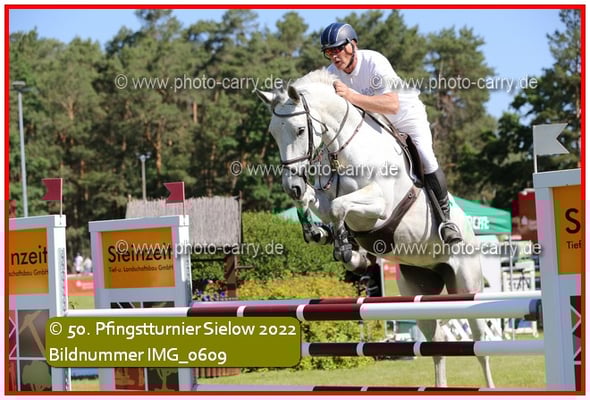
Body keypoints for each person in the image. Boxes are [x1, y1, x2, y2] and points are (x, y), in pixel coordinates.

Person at [320, 22, 462, 245]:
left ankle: (446, 220)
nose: (335, 56)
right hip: (375, 121)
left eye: (338, 49)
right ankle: (339, 226)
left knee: (426, 156)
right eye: (329, 52)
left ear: (353, 45)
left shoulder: (373, 61)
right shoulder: (330, 73)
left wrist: (350, 96)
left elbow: (392, 105)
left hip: (405, 116)